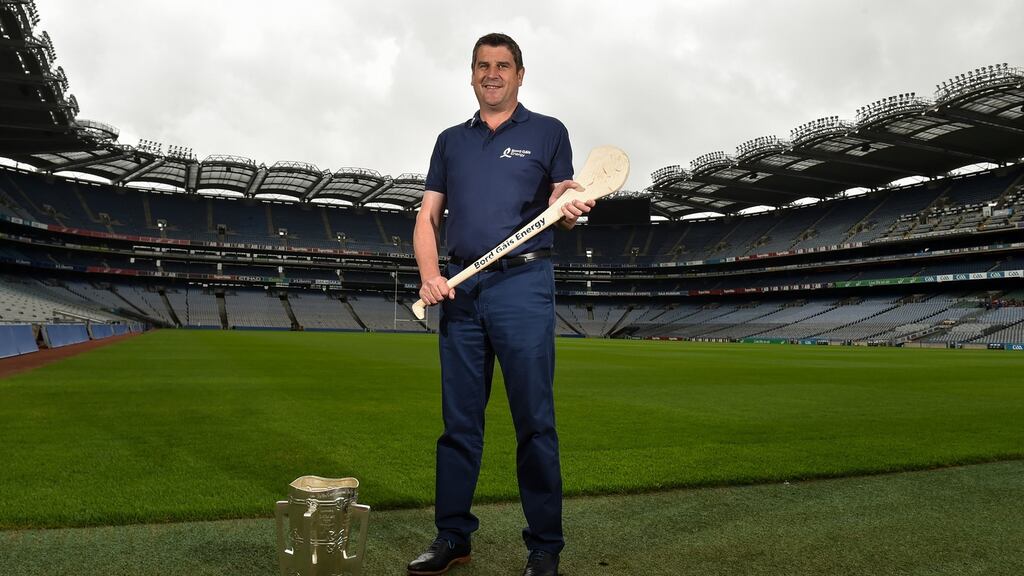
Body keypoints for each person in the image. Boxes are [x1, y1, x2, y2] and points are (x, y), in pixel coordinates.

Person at [407, 32, 593, 576]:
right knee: (459, 424)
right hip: (462, 294)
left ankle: (544, 548)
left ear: (519, 74)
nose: (493, 73)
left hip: (523, 287)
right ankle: (453, 537)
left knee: (534, 421)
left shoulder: (549, 131)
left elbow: (562, 196)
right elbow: (427, 217)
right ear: (471, 74)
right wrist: (429, 276)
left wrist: (570, 205)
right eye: (483, 65)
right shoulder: (449, 141)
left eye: (503, 65)